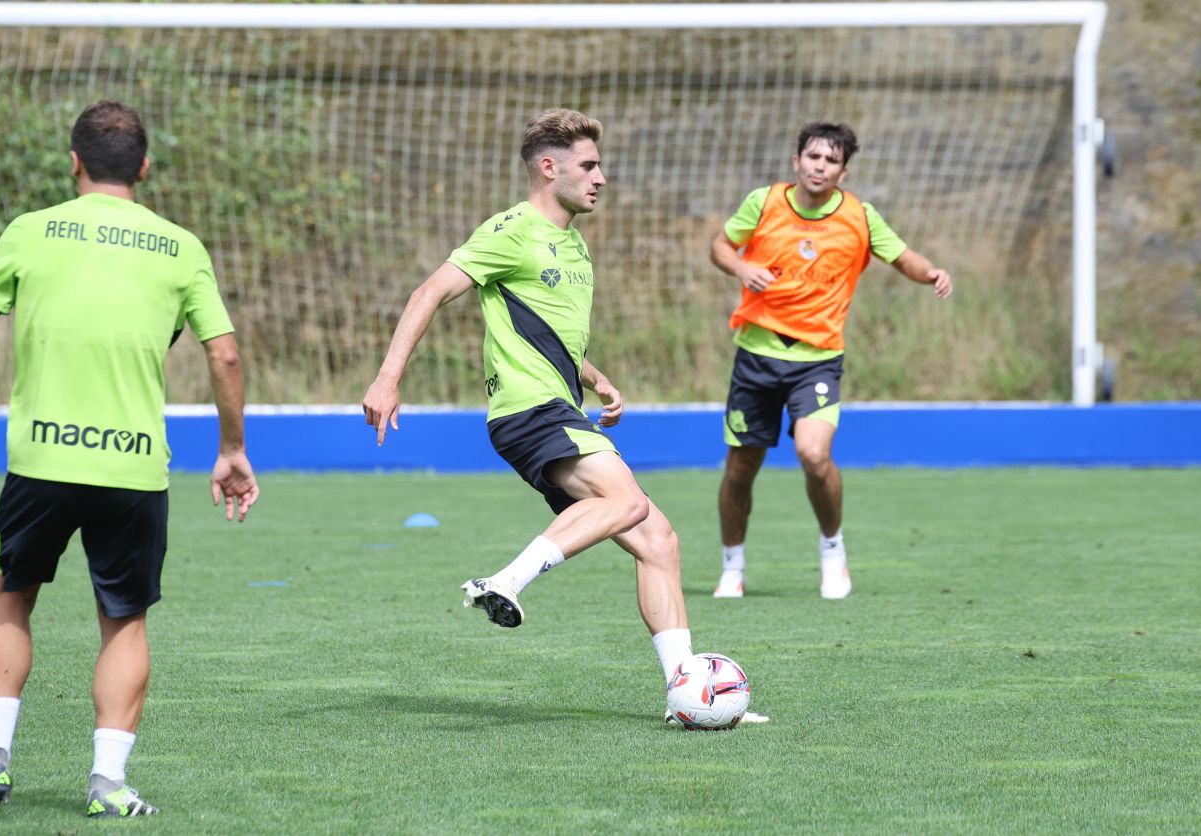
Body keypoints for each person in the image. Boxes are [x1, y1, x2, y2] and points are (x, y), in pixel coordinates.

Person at [362, 109, 763, 725]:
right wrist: (388, 378)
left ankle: (686, 694)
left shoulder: (572, 241)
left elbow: (546, 333)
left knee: (659, 541)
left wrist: (594, 375)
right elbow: (430, 292)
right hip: (529, 411)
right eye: (589, 166)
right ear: (549, 169)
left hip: (557, 404)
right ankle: (506, 581)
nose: (602, 178)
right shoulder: (511, 229)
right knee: (628, 504)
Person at [0, 99, 260, 818]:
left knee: (11, 598)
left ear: (73, 161)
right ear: (143, 166)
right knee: (125, 620)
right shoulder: (180, 245)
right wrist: (231, 448)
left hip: (40, 464)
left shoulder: (31, 231)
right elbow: (224, 353)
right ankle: (108, 784)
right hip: (132, 468)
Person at [709, 121, 952, 600]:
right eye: (813, 157)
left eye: (831, 161)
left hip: (818, 360)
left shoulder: (859, 216)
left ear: (843, 171)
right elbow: (720, 245)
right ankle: (732, 567)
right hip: (756, 356)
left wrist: (931, 274)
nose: (820, 167)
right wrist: (741, 266)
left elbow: (902, 257)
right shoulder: (764, 202)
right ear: (796, 161)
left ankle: (833, 553)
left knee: (814, 455)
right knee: (740, 469)